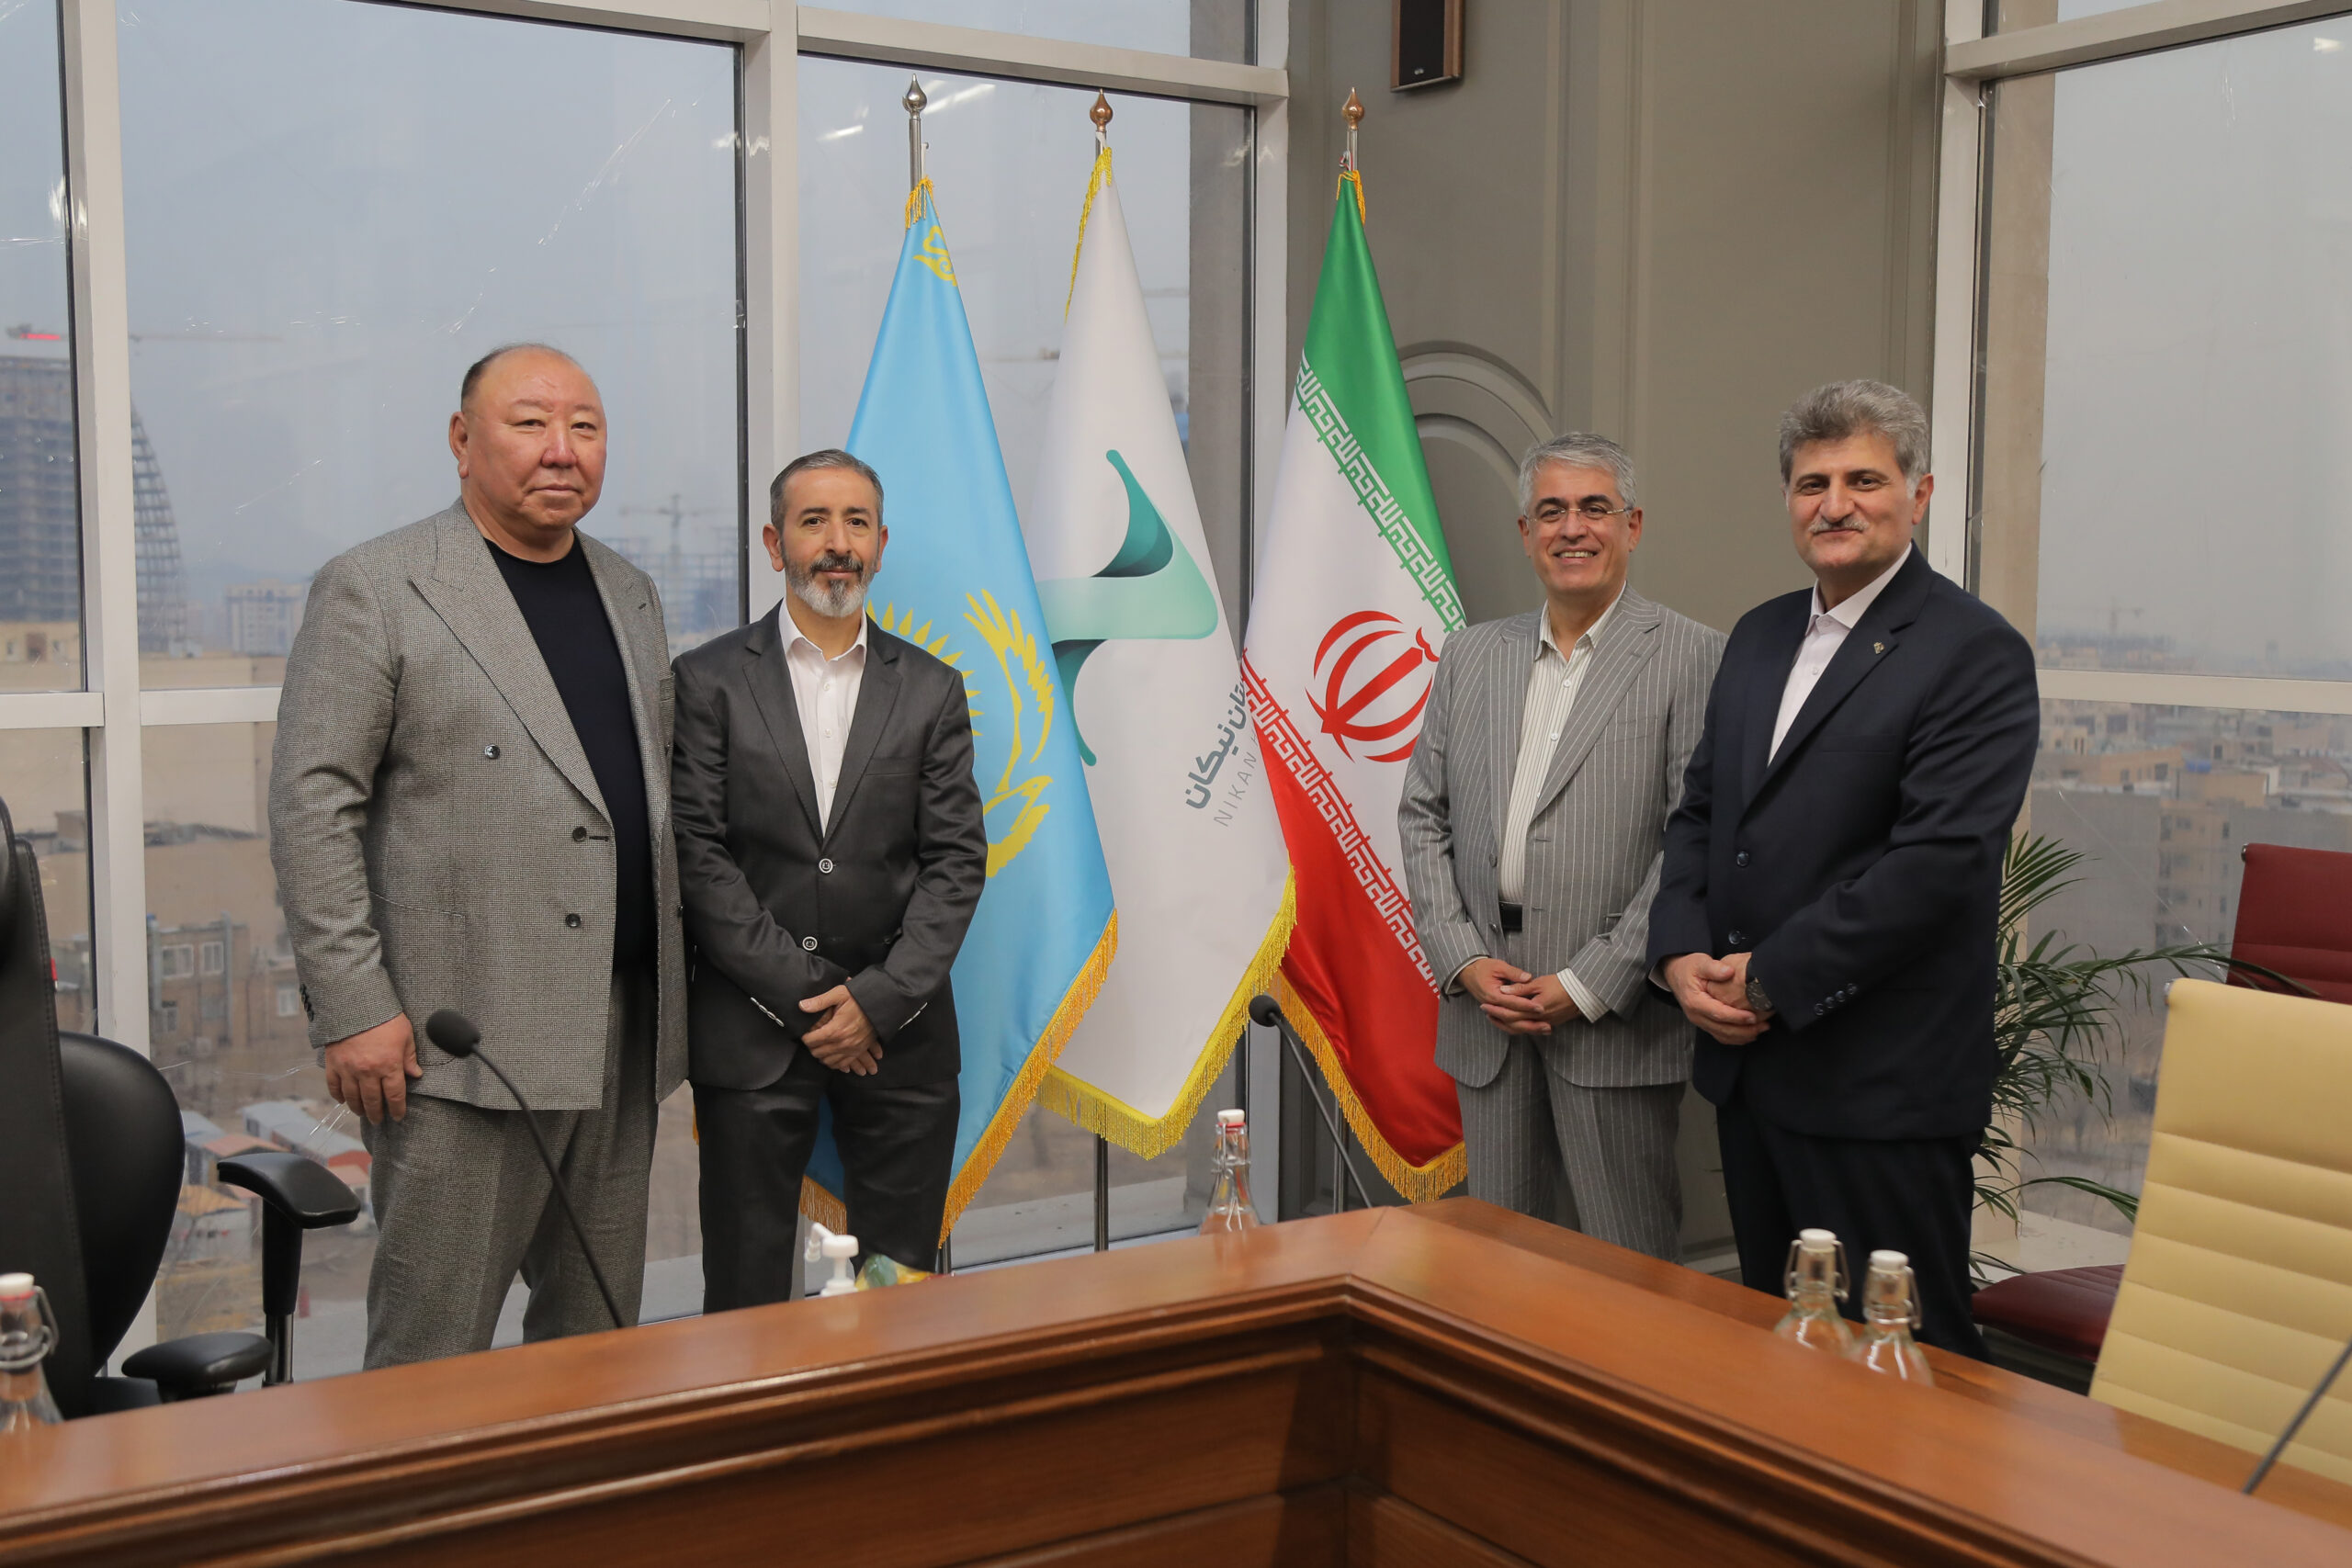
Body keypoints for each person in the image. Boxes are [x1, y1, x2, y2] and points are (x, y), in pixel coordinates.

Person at [270, 344, 687, 1367]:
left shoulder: (630, 591)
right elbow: (311, 804)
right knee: (431, 1353)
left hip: (621, 1027)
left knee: (597, 1343)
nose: (561, 449)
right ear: (462, 441)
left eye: (585, 427)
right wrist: (354, 1005)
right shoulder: (379, 586)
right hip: (459, 1043)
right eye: (530, 423)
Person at [1646, 379, 2038, 1358]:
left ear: (1920, 494)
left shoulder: (1974, 652)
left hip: (1879, 1087)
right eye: (1812, 483)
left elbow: (1936, 866)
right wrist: (1679, 954)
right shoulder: (1759, 634)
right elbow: (1702, 816)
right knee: (1784, 1358)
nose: (1835, 504)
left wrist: (1770, 977)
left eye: (1864, 480)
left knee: (1906, 1364)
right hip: (1753, 1074)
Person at [673, 448, 987, 1308]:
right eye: (814, 521)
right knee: (743, 1299)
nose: (837, 542)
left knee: (901, 1293)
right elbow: (699, 856)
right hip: (751, 1038)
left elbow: (956, 860)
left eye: (856, 522)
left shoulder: (932, 689)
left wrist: (876, 1002)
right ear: (775, 544)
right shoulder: (706, 682)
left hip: (901, 1039)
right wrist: (818, 1002)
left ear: (881, 544)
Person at [1399, 434, 1724, 1259]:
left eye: (1593, 508)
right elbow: (1422, 815)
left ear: (1632, 525)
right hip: (1487, 1011)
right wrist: (1464, 960)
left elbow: (1693, 840)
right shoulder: (1470, 654)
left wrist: (1590, 983)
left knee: (1627, 1269)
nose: (1571, 528)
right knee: (1496, 1264)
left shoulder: (1694, 655)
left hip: (1613, 1020)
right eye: (1551, 511)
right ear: (1525, 532)